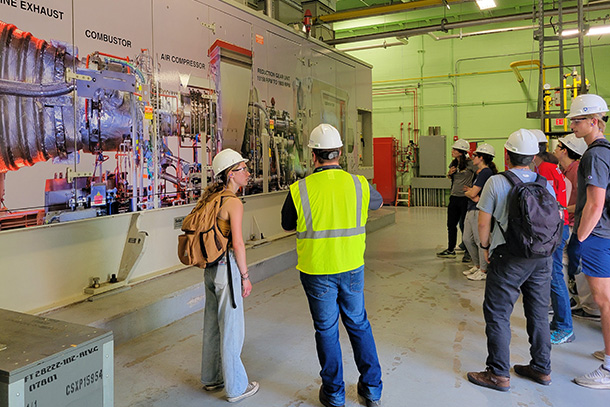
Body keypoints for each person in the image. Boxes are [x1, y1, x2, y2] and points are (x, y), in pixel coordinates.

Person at [281, 124, 383, 407]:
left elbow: (287, 223)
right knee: (358, 323)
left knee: (326, 330)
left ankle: (334, 393)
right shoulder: (359, 184)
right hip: (351, 266)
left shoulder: (300, 189)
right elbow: (377, 203)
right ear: (339, 153)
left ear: (313, 156)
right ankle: (372, 388)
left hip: (317, 270)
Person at [467, 129, 556, 392]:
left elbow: (484, 223)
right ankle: (541, 368)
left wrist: (485, 248)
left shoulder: (496, 182)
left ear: (507, 154)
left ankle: (497, 374)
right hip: (542, 257)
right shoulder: (544, 183)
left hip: (509, 256)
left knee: (498, 313)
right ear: (533, 157)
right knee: (539, 313)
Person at [200, 148, 259, 402]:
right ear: (230, 175)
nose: (247, 172)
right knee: (232, 329)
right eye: (242, 169)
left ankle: (212, 378)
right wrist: (245, 276)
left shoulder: (212, 199)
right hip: (228, 271)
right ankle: (236, 387)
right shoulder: (233, 202)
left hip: (210, 271)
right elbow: (238, 244)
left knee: (213, 325)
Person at [566, 93, 610, 389]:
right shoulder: (606, 151)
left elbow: (595, 204)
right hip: (605, 231)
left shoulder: (594, 154)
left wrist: (579, 239)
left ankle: (608, 368)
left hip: (597, 235)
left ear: (594, 121)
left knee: (603, 301)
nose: (573, 125)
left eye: (577, 120)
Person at [531, 129, 573, 345]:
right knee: (553, 274)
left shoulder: (545, 169)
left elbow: (543, 202)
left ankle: (565, 326)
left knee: (554, 275)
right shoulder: (548, 166)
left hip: (554, 227)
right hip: (560, 225)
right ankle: (559, 321)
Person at [553, 134, 601, 322]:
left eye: (558, 147)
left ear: (565, 150)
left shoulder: (576, 171)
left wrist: (561, 208)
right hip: (569, 222)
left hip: (576, 224)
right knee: (566, 263)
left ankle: (591, 307)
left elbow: (585, 201)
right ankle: (573, 301)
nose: (555, 150)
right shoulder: (565, 171)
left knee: (578, 264)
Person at [462, 143, 498, 281]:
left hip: (479, 209)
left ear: (481, 158)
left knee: (479, 240)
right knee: (467, 239)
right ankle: (477, 265)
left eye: (475, 155)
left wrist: (470, 193)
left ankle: (483, 269)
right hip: (471, 208)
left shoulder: (486, 172)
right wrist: (470, 193)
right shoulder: (479, 173)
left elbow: (473, 193)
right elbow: (472, 193)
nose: (472, 158)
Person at [437, 139, 476, 261]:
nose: (452, 151)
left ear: (461, 152)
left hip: (465, 198)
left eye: (455, 149)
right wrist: (450, 173)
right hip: (454, 197)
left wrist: (473, 188)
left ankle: (469, 252)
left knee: (465, 226)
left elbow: (481, 174)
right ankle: (450, 249)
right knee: (451, 225)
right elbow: (452, 179)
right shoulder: (453, 164)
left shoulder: (471, 164)